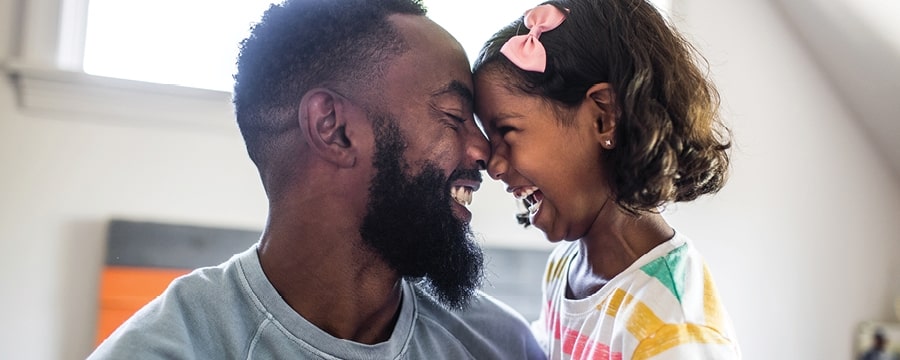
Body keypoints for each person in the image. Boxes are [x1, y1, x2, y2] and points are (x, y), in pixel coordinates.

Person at [88, 0, 545, 358]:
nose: (485, 151)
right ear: (334, 129)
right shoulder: (163, 351)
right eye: (453, 116)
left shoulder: (501, 346)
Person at [472, 0, 740, 358]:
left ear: (604, 118)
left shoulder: (674, 331)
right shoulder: (566, 266)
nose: (494, 165)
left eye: (506, 131)